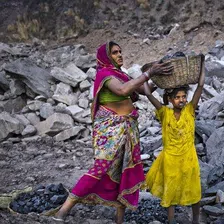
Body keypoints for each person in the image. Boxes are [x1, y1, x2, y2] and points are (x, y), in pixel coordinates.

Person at [53, 41, 173, 223]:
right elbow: (124, 90)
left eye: (120, 51)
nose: (119, 55)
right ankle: (62, 212)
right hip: (110, 129)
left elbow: (142, 89)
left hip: (126, 129)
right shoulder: (105, 74)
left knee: (122, 171)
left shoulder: (120, 74)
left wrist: (159, 77)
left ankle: (119, 220)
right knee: (100, 168)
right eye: (115, 53)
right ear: (105, 57)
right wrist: (148, 73)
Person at [143, 57, 205, 224]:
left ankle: (196, 221)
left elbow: (200, 85)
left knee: (194, 188)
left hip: (189, 157)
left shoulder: (190, 110)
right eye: (177, 97)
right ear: (170, 99)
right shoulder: (164, 113)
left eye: (184, 96)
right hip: (170, 158)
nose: (182, 100)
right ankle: (171, 221)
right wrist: (148, 74)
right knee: (170, 191)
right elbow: (148, 93)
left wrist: (202, 64)